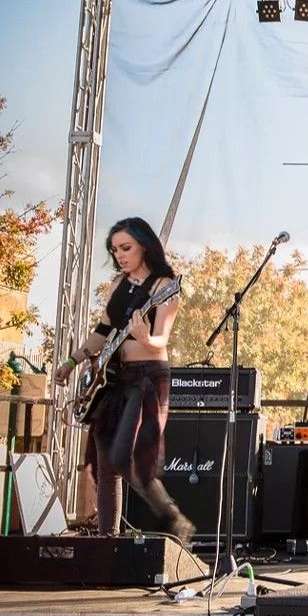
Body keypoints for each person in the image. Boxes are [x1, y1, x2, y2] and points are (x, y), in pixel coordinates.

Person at [53, 217, 194, 543]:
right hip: (113, 378)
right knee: (105, 464)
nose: (119, 255)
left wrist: (145, 337)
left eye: (126, 248)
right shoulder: (118, 284)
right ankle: (108, 541)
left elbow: (161, 339)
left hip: (148, 377)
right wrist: (71, 362)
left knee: (123, 455)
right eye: (115, 249)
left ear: (144, 245)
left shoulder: (164, 287)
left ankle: (172, 516)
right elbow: (103, 332)